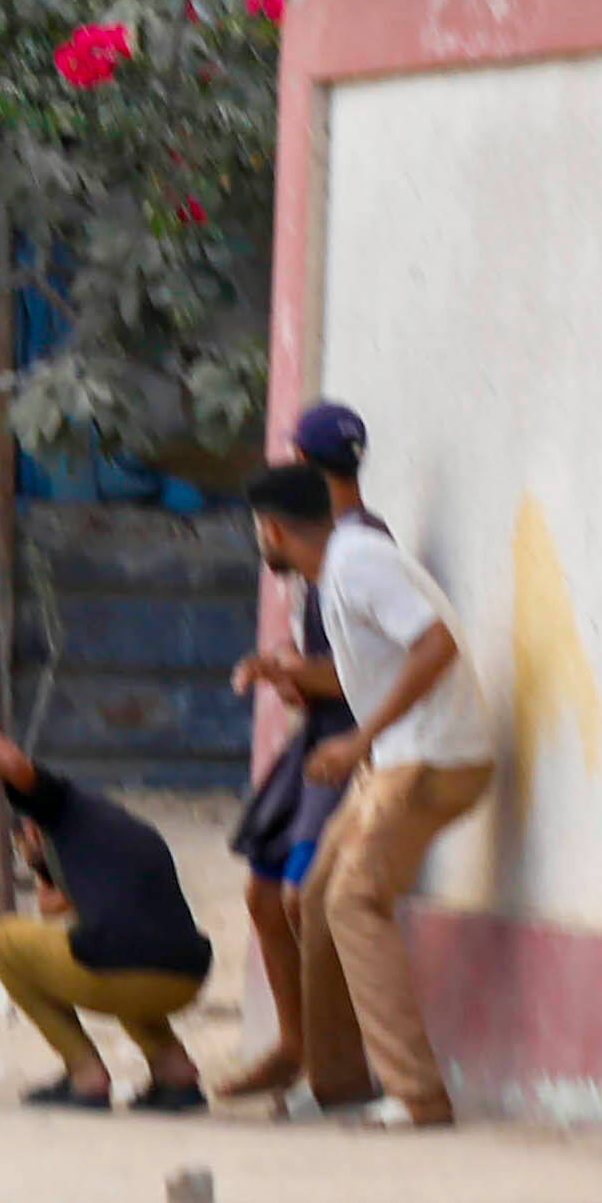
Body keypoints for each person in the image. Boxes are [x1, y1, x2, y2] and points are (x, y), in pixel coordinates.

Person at [247, 458, 497, 1128]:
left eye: (258, 531)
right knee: (316, 893)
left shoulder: (356, 563)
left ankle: (418, 1096)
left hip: (433, 759)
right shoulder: (338, 570)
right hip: (399, 758)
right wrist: (293, 674)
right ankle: (340, 1086)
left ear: (271, 528)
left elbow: (435, 643)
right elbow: (376, 663)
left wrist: (359, 742)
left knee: (353, 898)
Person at [0, 691, 214, 1111]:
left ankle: (85, 1074)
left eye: (23, 846)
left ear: (30, 829)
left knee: (6, 940)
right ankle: (175, 1073)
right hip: (184, 976)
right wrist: (43, 871)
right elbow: (54, 907)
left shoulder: (58, 806)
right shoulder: (109, 832)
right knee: (110, 945)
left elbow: (12, 762)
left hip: (129, 969)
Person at [221, 401, 372, 1099]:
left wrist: (282, 670)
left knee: (300, 896)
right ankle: (293, 1042)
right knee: (261, 889)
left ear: (306, 465)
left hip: (347, 740)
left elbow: (360, 671)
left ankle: (334, 1064)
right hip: (316, 729)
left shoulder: (355, 549)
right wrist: (284, 671)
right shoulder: (311, 548)